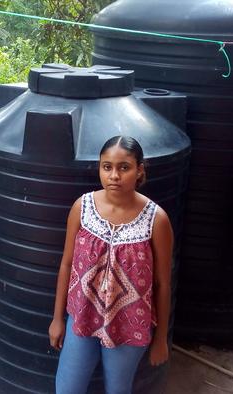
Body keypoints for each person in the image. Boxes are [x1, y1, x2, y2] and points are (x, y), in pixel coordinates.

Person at [48, 135, 174, 394]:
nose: (114, 175)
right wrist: (57, 319)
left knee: (118, 389)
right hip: (82, 317)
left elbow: (162, 283)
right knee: (67, 388)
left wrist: (161, 338)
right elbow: (66, 264)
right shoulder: (82, 208)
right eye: (107, 167)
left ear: (139, 170)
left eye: (124, 167)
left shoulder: (156, 220)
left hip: (130, 325)